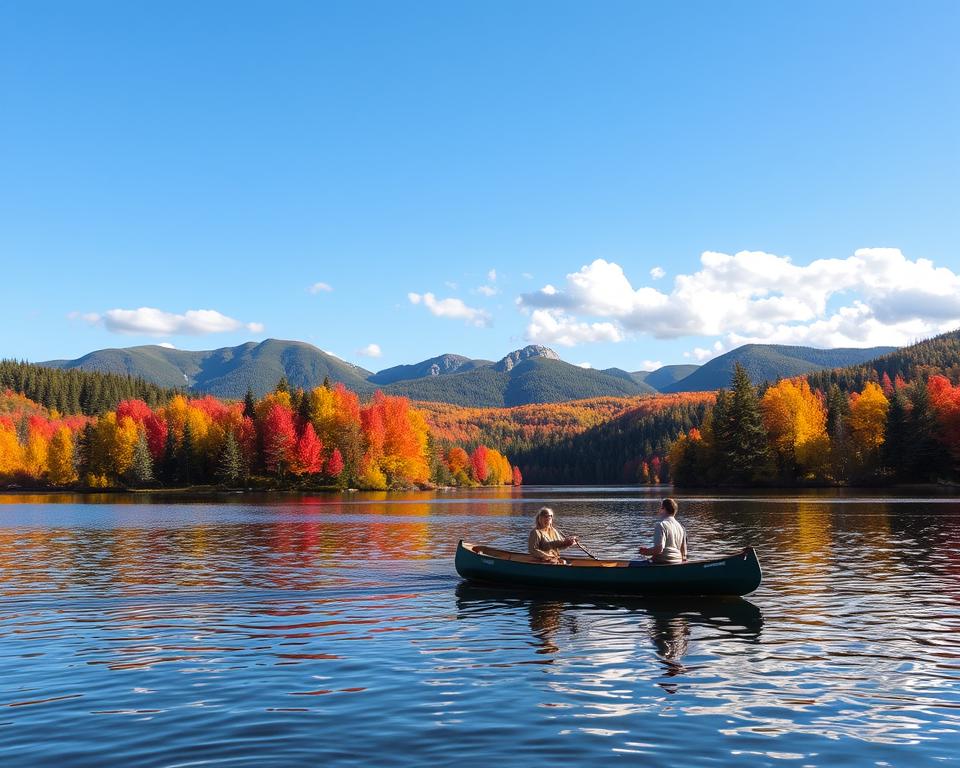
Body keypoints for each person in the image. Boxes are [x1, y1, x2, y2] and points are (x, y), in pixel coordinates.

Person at [638, 498, 687, 564]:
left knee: (631, 564)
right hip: (677, 562)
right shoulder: (681, 527)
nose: (659, 510)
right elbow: (683, 553)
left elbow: (659, 549)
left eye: (661, 508)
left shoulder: (660, 525)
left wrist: (645, 552)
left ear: (663, 509)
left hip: (662, 562)